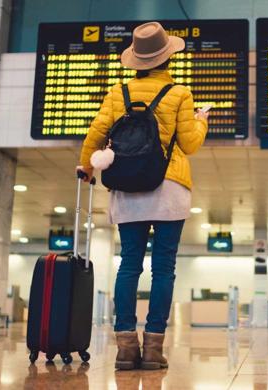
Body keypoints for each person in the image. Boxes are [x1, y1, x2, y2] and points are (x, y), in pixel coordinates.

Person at [77, 21, 208, 370]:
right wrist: (201, 120)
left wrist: (86, 168)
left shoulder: (117, 93)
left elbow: (97, 132)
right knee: (164, 268)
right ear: (168, 58)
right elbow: (190, 144)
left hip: (128, 186)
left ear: (136, 60)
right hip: (169, 187)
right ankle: (153, 350)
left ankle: (124, 348)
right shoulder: (180, 93)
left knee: (129, 265)